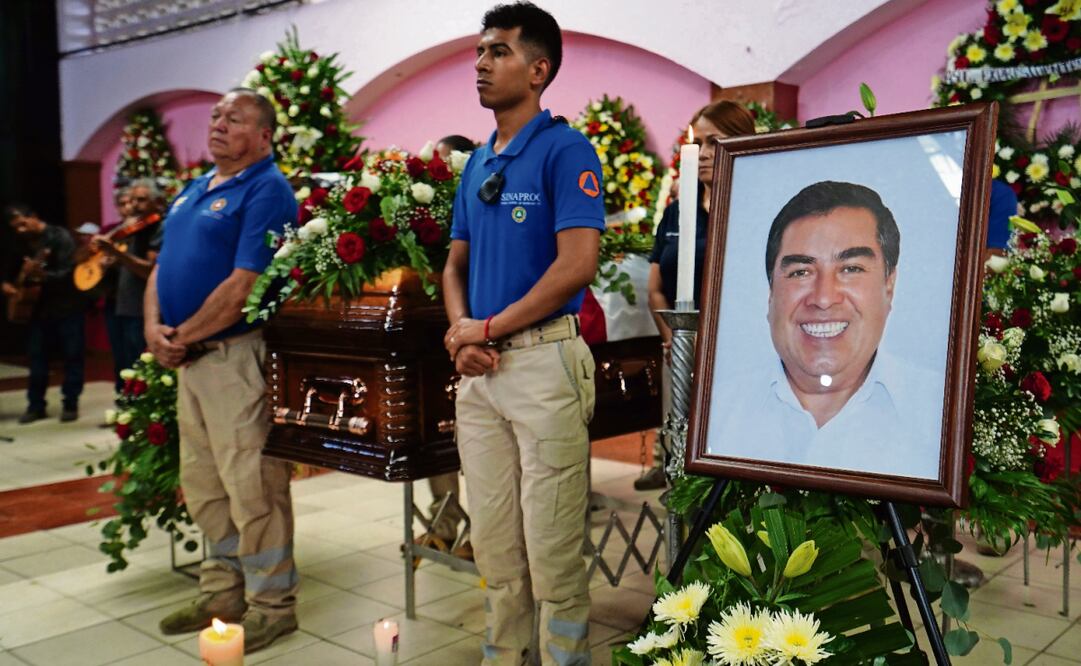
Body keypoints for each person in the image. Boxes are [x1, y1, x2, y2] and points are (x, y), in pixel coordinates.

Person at [441, 3, 605, 663]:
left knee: (553, 546)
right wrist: (461, 331)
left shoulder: (565, 149)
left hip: (541, 365)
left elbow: (576, 265)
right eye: (480, 51)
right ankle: (503, 654)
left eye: (498, 51)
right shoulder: (477, 160)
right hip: (480, 373)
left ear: (538, 70)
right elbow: (455, 260)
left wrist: (485, 327)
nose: (481, 63)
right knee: (496, 541)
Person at [148, 88, 299, 653]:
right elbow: (160, 267)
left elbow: (244, 287)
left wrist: (181, 336)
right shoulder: (193, 190)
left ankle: (273, 604)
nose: (218, 123)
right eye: (215, 115)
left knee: (252, 486)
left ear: (263, 137)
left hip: (234, 357)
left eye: (234, 118)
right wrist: (153, 331)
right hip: (190, 360)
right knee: (204, 485)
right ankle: (222, 593)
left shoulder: (267, 189)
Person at [708, 181, 941, 479]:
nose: (823, 298)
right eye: (800, 272)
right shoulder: (718, 414)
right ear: (770, 294)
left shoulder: (938, 413)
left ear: (889, 286)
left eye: (851, 269)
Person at [637, 101, 756, 490]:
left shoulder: (752, 206)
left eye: (715, 142)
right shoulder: (677, 212)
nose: (704, 154)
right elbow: (655, 286)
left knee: (732, 456)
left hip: (737, 357)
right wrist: (675, 337)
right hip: (682, 349)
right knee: (684, 457)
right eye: (698, 144)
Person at [420, 133, 478, 559]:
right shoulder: (422, 214)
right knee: (438, 438)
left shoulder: (479, 195)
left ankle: (483, 530)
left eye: (445, 164)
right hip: (435, 335)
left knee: (481, 448)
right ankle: (444, 520)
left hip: (479, 330)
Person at [2, 204, 85, 423]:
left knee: (72, 356)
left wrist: (42, 275)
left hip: (66, 306)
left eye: (22, 224)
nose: (20, 230)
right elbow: (10, 271)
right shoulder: (19, 243)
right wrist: (8, 285)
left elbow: (70, 272)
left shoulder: (59, 237)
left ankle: (70, 403)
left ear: (34, 216)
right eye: (15, 227)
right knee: (37, 359)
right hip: (36, 310)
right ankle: (35, 405)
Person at [93, 178, 164, 380]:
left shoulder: (159, 227)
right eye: (130, 200)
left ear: (158, 202)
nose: (133, 206)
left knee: (141, 369)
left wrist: (117, 253)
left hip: (143, 308)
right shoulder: (131, 228)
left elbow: (150, 271)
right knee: (122, 366)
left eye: (140, 200)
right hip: (121, 304)